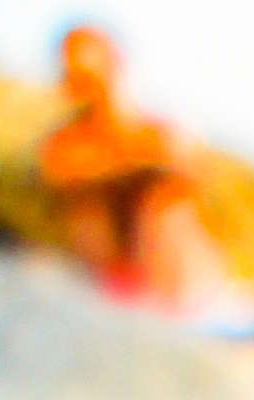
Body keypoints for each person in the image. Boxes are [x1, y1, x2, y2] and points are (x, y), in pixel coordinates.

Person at [37, 25, 223, 313]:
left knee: (162, 203)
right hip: (107, 278)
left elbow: (191, 177)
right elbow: (69, 184)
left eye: (93, 71)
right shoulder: (65, 145)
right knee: (91, 206)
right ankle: (127, 302)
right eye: (77, 73)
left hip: (177, 282)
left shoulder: (164, 134)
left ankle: (173, 307)